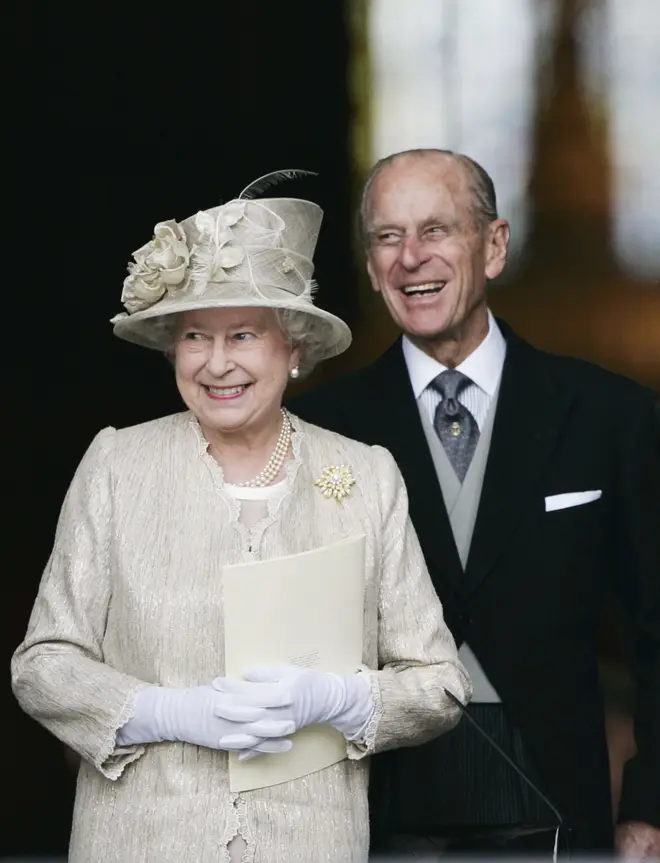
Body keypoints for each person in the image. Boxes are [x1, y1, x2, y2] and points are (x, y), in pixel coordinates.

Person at [11, 177, 471, 863]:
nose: (217, 362)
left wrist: (339, 699)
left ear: (294, 350)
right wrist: (164, 712)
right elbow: (42, 664)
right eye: (196, 335)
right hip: (139, 841)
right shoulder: (117, 465)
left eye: (245, 335)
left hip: (309, 842)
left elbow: (439, 683)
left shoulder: (367, 476)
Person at [289, 149, 660, 858]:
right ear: (369, 267)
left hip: (557, 804)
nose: (409, 257)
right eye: (387, 238)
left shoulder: (609, 416)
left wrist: (651, 806)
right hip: (370, 810)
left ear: (493, 247)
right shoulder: (318, 432)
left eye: (436, 230)